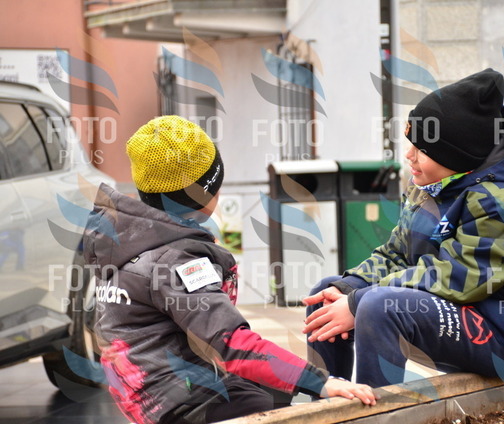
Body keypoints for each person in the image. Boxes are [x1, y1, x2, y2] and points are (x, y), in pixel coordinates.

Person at [82, 116, 376, 424]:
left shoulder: (129, 241)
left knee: (277, 391)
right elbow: (231, 344)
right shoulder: (176, 261)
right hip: (181, 400)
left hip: (150, 391)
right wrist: (322, 382)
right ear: (206, 192)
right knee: (276, 409)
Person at [302, 69, 504, 388]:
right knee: (327, 293)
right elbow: (396, 254)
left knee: (380, 306)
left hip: (499, 337)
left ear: (457, 156)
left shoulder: (502, 204)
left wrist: (358, 301)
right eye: (411, 143)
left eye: (422, 149)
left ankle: (379, 411)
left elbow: (459, 277)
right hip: (448, 311)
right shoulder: (430, 187)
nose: (409, 155)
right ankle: (330, 400)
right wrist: (352, 286)